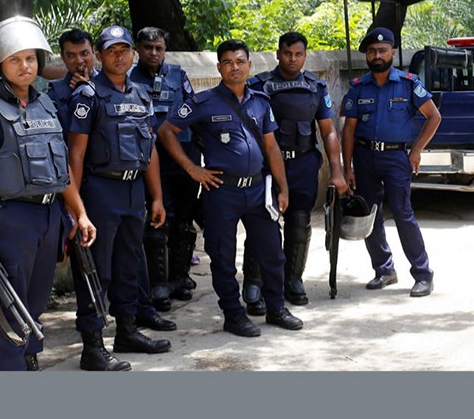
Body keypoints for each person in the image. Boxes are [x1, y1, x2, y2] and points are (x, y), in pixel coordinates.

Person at [0, 16, 95, 371]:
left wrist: (78, 212)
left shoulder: (47, 104)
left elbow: (61, 168)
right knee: (10, 309)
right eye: (14, 60)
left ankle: (27, 363)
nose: (25, 66)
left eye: (31, 58)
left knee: (35, 302)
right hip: (11, 218)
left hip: (49, 216)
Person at [158, 39, 303, 337]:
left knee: (272, 252)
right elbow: (167, 131)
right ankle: (233, 315)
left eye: (240, 61)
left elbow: (272, 148)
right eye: (228, 62)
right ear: (219, 67)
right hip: (221, 192)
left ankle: (276, 308)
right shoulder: (203, 102)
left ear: (249, 65)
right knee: (223, 256)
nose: (235, 67)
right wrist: (192, 168)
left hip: (258, 192)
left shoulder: (261, 102)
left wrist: (282, 188)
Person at [47, 27, 176, 336]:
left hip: (133, 191)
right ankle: (92, 343)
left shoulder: (141, 94)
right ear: (101, 56)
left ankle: (128, 331)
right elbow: (75, 155)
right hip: (100, 190)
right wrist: (75, 209)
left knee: (129, 264)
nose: (119, 56)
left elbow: (150, 149)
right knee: (97, 269)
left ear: (133, 55)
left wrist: (156, 197)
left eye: (124, 50)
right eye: (112, 51)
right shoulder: (87, 95)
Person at [240, 32, 348, 313]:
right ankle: (255, 282)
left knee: (299, 222)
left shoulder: (315, 87)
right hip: (266, 166)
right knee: (263, 222)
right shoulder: (258, 85)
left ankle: (293, 280)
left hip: (303, 163)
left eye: (298, 54)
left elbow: (328, 132)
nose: (292, 59)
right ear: (278, 53)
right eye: (287, 53)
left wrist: (336, 171)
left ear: (305, 55)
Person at [341, 27, 440, 297]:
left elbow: (434, 116)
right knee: (369, 215)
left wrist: (416, 150)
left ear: (392, 52)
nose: (377, 55)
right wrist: (346, 168)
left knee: (402, 212)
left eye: (382, 50)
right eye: (372, 51)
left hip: (396, 157)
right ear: (367, 56)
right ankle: (384, 270)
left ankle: (422, 274)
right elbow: (348, 129)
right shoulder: (358, 88)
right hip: (364, 157)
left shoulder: (408, 84)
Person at [129, 27, 201, 315]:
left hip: (181, 156)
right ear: (138, 49)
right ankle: (157, 285)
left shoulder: (178, 75)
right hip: (148, 158)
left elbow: (192, 109)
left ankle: (180, 276)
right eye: (148, 48)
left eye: (159, 48)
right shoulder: (128, 78)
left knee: (184, 220)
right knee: (158, 220)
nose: (154, 53)